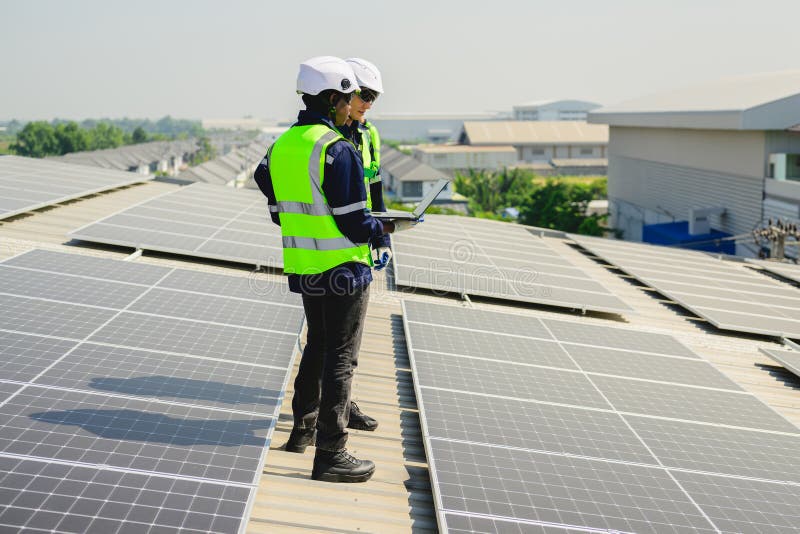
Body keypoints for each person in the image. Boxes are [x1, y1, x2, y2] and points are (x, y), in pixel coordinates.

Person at [253, 56, 416, 483]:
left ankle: (302, 432)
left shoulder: (284, 145)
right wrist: (392, 225)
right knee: (340, 359)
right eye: (348, 98)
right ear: (331, 99)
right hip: (344, 268)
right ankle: (331, 454)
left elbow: (274, 202)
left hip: (304, 265)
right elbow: (352, 223)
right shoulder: (336, 149)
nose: (353, 107)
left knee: (318, 346)